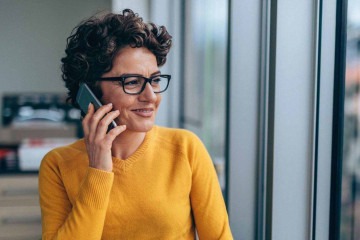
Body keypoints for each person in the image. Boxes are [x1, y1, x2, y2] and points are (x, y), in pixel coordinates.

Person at [38, 9, 233, 240]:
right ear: (89, 91)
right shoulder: (58, 165)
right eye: (132, 82)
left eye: (155, 80)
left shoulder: (186, 149)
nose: (151, 96)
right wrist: (98, 171)